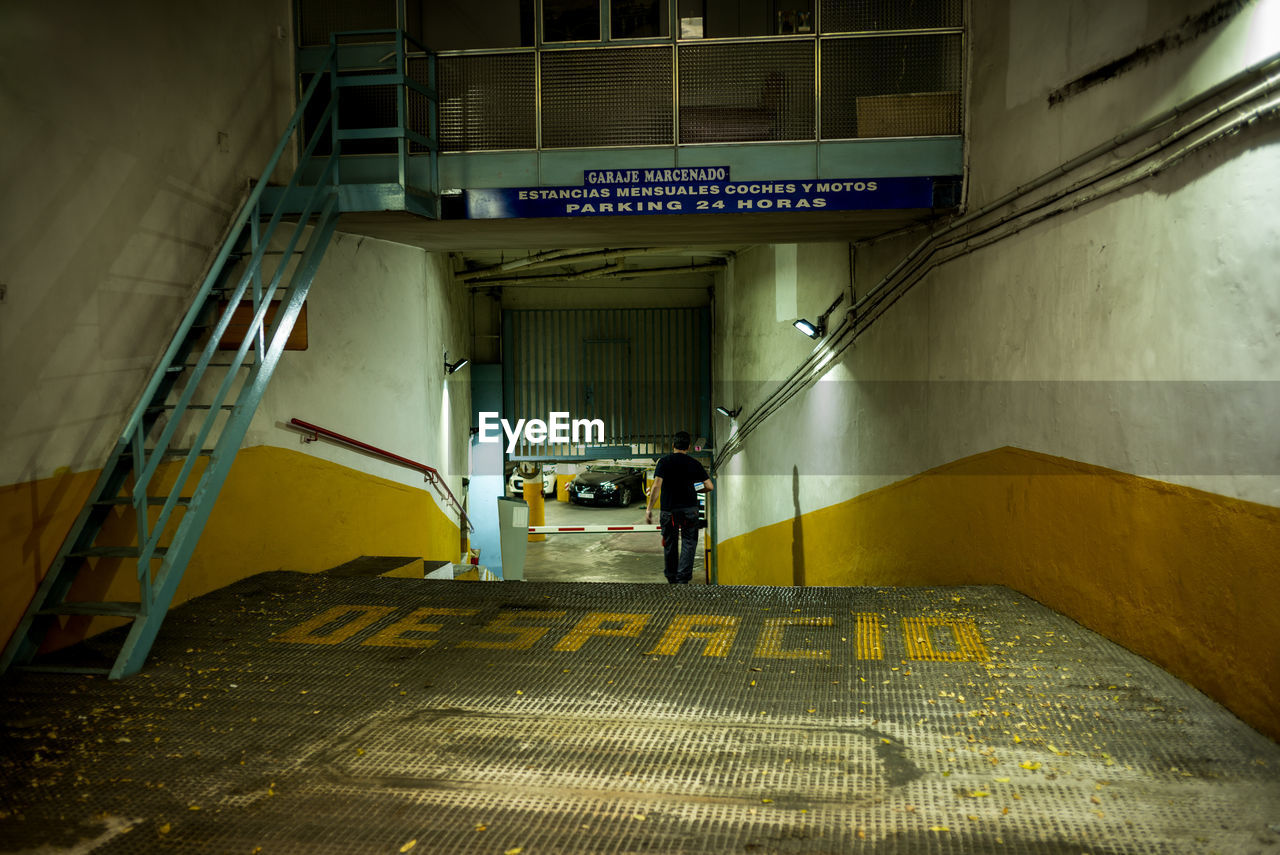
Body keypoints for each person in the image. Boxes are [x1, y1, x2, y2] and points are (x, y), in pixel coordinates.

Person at [645, 431, 713, 584]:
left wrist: (649, 509)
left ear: (673, 445)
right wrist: (694, 488)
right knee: (689, 542)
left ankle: (671, 577)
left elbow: (656, 486)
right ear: (688, 447)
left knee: (670, 542)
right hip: (689, 510)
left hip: (669, 511)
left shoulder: (664, 461)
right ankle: (683, 579)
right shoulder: (694, 463)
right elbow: (709, 486)